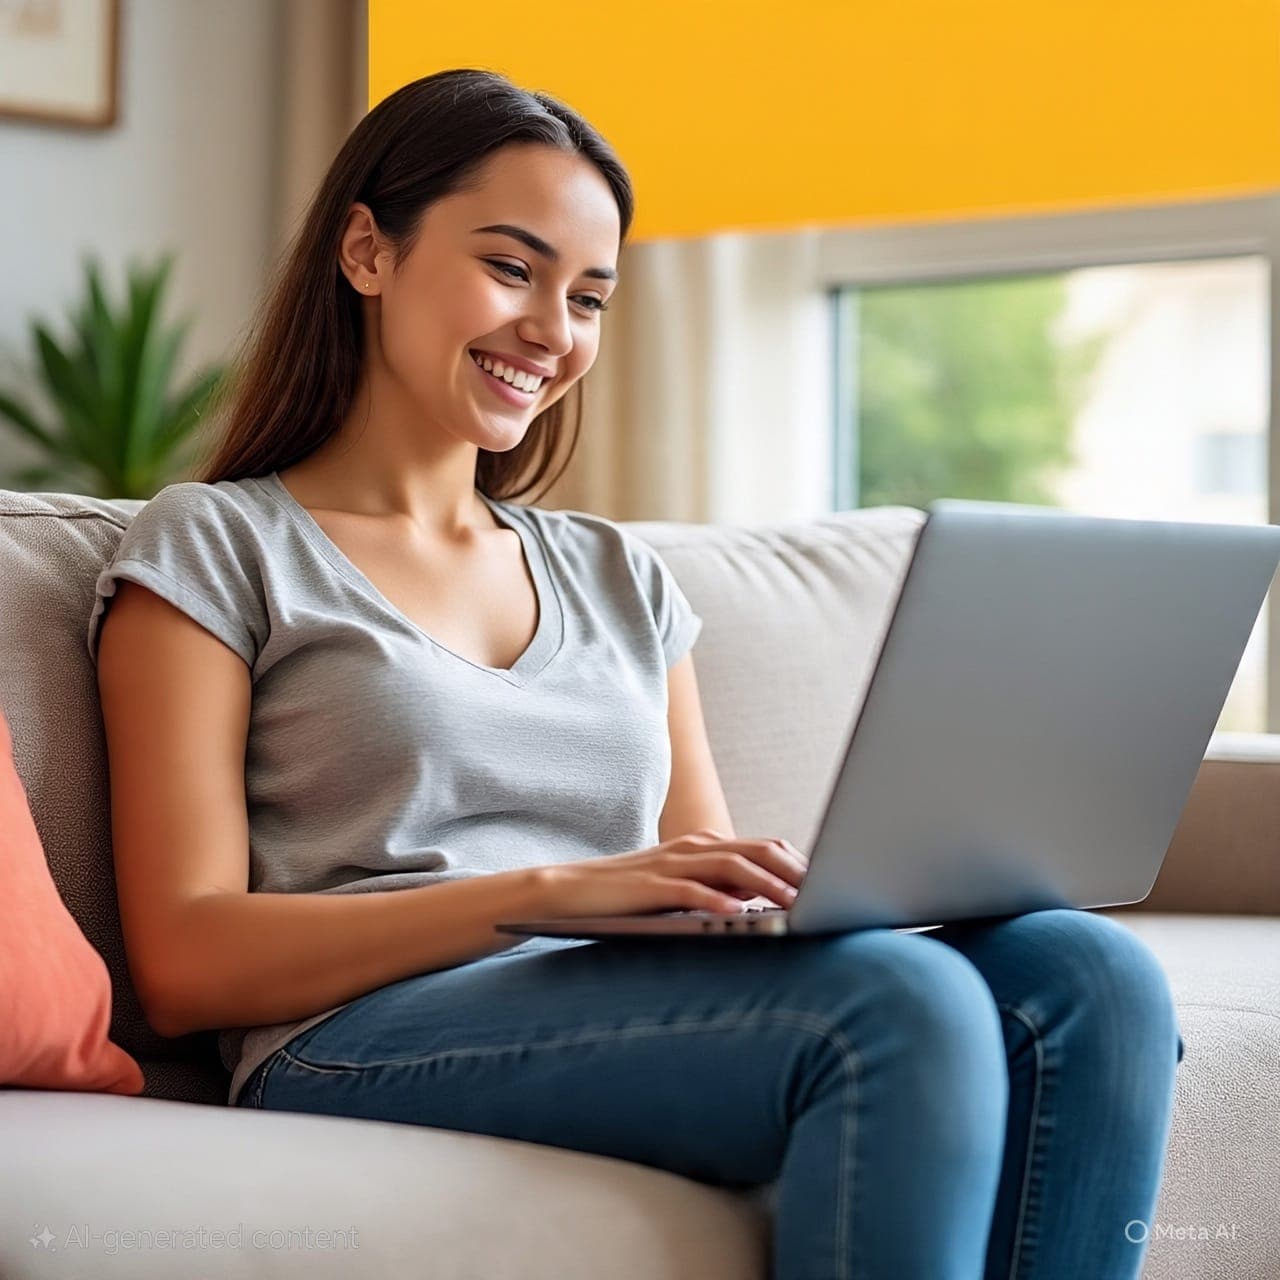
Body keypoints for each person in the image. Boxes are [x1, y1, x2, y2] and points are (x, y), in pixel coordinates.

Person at [89, 68, 1184, 1280]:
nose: (553, 332)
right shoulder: (215, 542)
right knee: (898, 1005)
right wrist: (548, 891)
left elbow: (691, 867)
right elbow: (184, 965)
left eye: (588, 295)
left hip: (597, 995)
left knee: (1090, 976)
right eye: (511, 268)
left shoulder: (614, 570)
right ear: (366, 251)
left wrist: (779, 899)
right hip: (349, 1036)